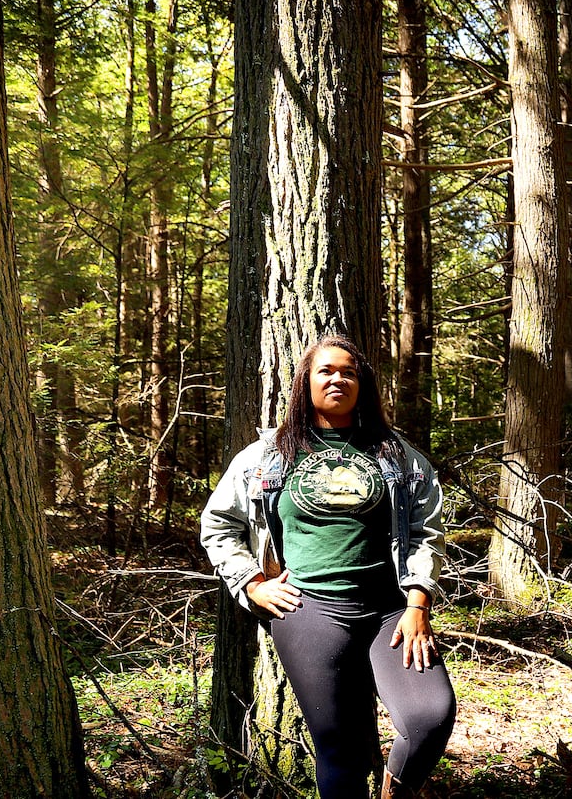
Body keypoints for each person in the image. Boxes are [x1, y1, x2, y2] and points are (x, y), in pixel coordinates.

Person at [201, 334, 456, 799]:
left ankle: (393, 791)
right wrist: (251, 582)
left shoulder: (397, 456)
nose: (338, 378)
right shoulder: (268, 456)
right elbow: (219, 524)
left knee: (429, 717)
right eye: (326, 371)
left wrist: (418, 602)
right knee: (339, 747)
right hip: (309, 612)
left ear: (363, 385)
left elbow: (426, 531)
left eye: (349, 372)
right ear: (305, 383)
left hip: (390, 613)